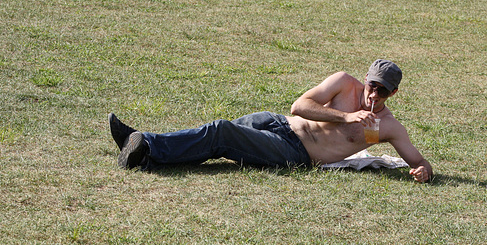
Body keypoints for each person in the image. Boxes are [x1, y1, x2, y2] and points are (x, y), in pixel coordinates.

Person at [109, 59, 434, 183]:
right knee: (212, 138)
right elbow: (299, 106)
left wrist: (422, 170)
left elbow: (418, 160)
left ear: (394, 94)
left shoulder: (385, 127)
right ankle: (143, 147)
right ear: (366, 78)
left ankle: (145, 143)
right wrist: (347, 116)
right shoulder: (345, 83)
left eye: (384, 92)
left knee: (221, 133)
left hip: (294, 153)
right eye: (373, 86)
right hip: (278, 123)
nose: (374, 95)